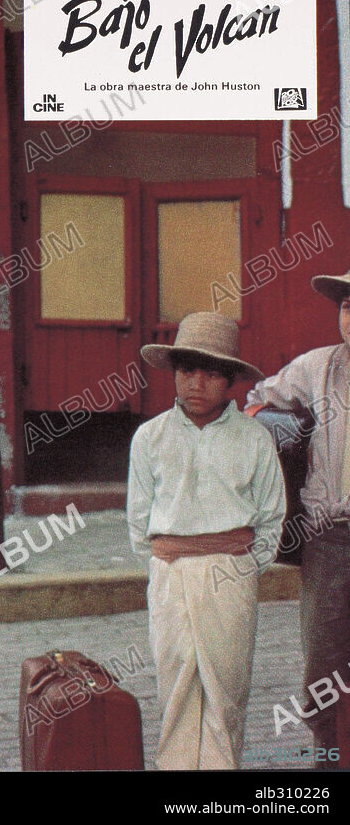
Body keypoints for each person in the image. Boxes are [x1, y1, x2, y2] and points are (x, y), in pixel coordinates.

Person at [127, 312, 286, 769]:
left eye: (211, 372)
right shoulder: (150, 437)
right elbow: (138, 520)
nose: (196, 383)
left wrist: (239, 566)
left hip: (231, 570)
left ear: (232, 379)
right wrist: (167, 560)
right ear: (174, 375)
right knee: (176, 682)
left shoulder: (254, 439)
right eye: (186, 371)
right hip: (171, 571)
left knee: (227, 690)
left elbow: (272, 516)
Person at [246, 271, 350, 758]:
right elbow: (257, 404)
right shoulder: (316, 367)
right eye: (348, 306)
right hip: (332, 536)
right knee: (325, 659)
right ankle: (328, 753)